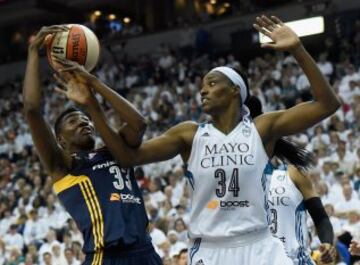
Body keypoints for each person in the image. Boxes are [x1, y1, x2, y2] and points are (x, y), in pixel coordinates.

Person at [58, 15, 340, 265]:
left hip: (260, 245)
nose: (203, 90)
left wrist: (297, 49)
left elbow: (327, 104)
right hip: (211, 250)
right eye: (202, 85)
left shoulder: (261, 128)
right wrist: (93, 95)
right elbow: (128, 157)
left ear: (234, 91)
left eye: (212, 83)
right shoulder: (190, 134)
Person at [23, 25, 162, 265]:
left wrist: (93, 88)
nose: (83, 122)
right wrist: (34, 53)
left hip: (146, 253)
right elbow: (32, 110)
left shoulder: (114, 149)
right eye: (72, 120)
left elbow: (139, 124)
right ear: (61, 141)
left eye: (85, 118)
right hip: (105, 257)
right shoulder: (64, 165)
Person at [269, 164, 336, 264]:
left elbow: (320, 217)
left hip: (296, 260)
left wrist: (327, 242)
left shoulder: (294, 173)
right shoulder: (245, 177)